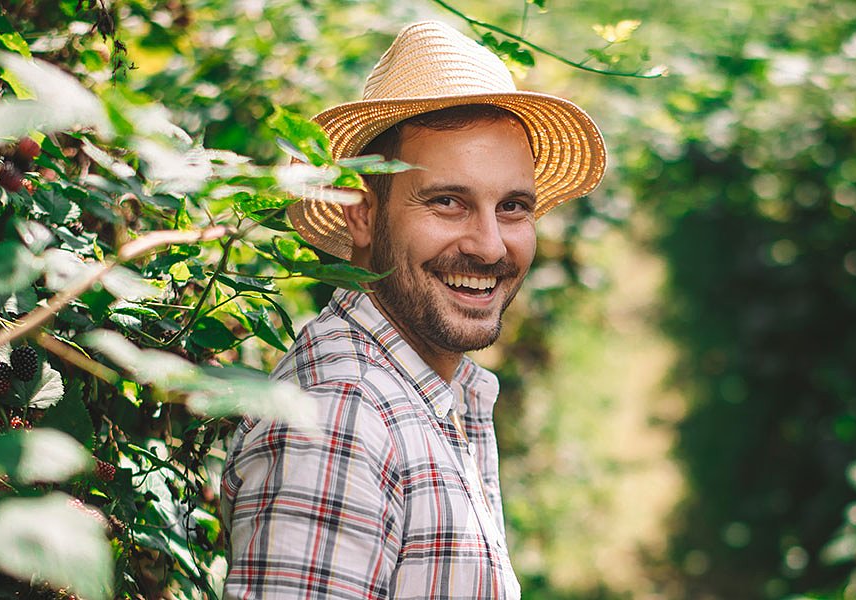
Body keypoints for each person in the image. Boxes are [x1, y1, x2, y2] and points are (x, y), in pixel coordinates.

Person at [219, 20, 605, 599]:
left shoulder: (427, 396)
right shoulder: (341, 419)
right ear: (361, 212)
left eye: (513, 207)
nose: (490, 244)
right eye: (448, 202)